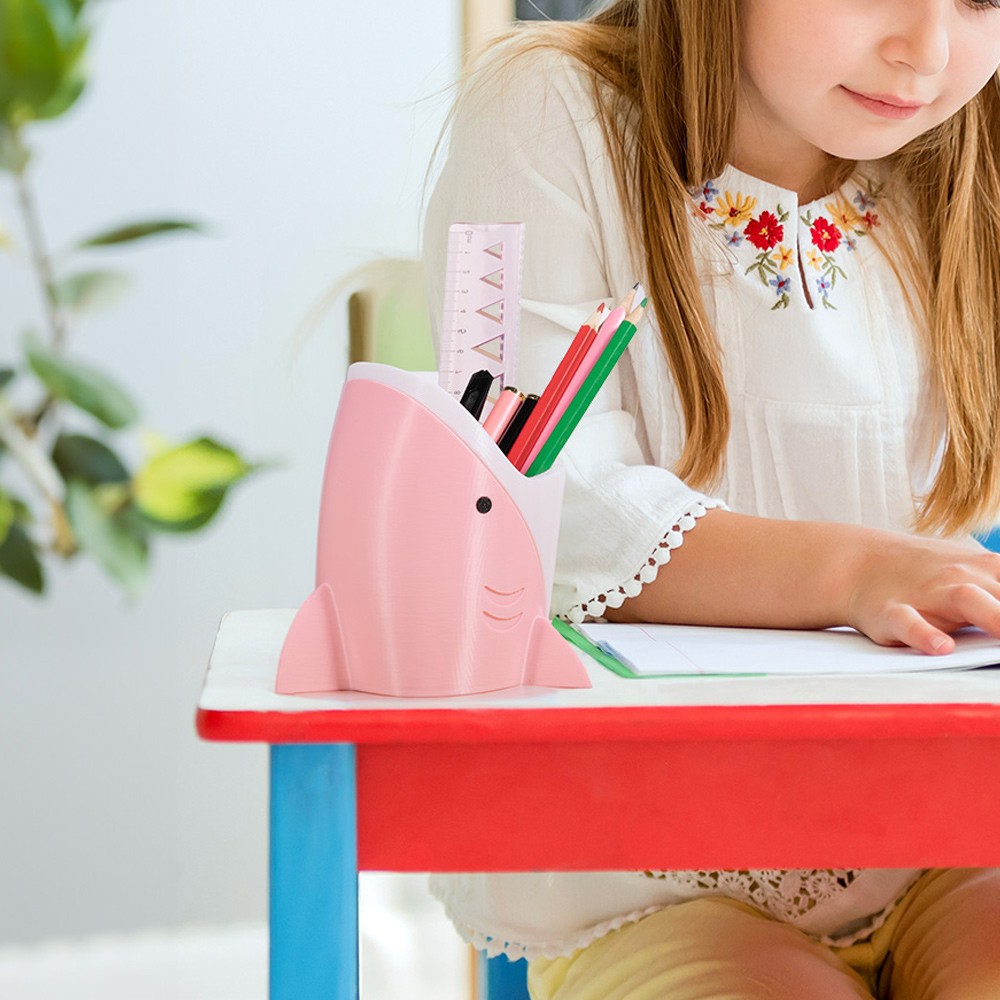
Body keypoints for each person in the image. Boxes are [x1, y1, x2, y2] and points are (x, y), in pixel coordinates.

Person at [422, 1, 1000, 997]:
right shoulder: (551, 111)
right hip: (649, 869)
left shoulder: (965, 149)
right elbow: (533, 502)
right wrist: (855, 569)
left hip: (948, 835)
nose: (928, 52)